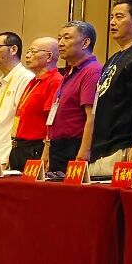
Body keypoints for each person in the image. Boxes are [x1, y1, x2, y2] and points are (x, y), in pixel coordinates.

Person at [88, 0, 132, 177]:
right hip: (100, 148)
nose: (112, 22)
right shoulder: (114, 57)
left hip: (122, 147)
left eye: (119, 17)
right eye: (111, 17)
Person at [44, 21, 102, 174]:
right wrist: (47, 150)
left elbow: (92, 116)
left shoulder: (92, 71)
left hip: (74, 147)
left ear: (85, 43)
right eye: (59, 38)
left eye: (67, 38)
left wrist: (83, 153)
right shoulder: (69, 72)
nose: (60, 43)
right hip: (57, 147)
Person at [9, 38, 61, 172]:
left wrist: (46, 153)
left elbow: (52, 121)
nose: (27, 55)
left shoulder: (54, 82)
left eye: (33, 52)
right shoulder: (34, 80)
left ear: (49, 56)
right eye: (28, 51)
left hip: (35, 149)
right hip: (19, 147)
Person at [0, 31, 32, 165]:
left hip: (9, 154)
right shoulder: (4, 80)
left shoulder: (25, 78)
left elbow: (20, 120)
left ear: (13, 49)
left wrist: (9, 156)